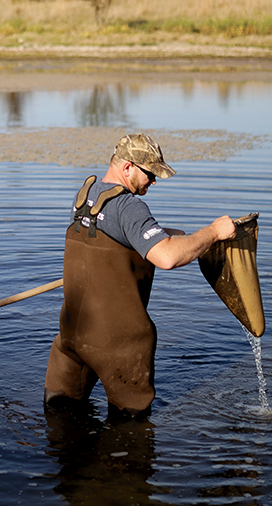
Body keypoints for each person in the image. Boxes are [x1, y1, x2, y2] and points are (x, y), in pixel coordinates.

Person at [44, 133, 237, 419]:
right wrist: (213, 232)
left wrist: (178, 237)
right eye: (150, 173)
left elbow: (117, 237)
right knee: (132, 436)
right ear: (127, 168)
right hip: (120, 345)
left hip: (72, 337)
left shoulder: (86, 195)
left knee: (60, 424)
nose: (154, 181)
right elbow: (167, 258)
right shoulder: (129, 207)